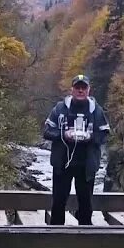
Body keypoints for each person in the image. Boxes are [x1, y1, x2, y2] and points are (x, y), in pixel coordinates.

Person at [41, 74, 110, 225]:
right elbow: (46, 132)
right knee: (58, 203)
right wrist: (63, 135)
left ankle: (84, 240)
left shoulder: (97, 111)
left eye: (83, 88)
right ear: (72, 90)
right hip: (62, 164)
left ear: (88, 90)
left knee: (86, 205)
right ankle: (56, 237)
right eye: (77, 88)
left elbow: (104, 134)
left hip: (87, 166)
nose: (80, 91)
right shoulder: (59, 109)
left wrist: (90, 137)